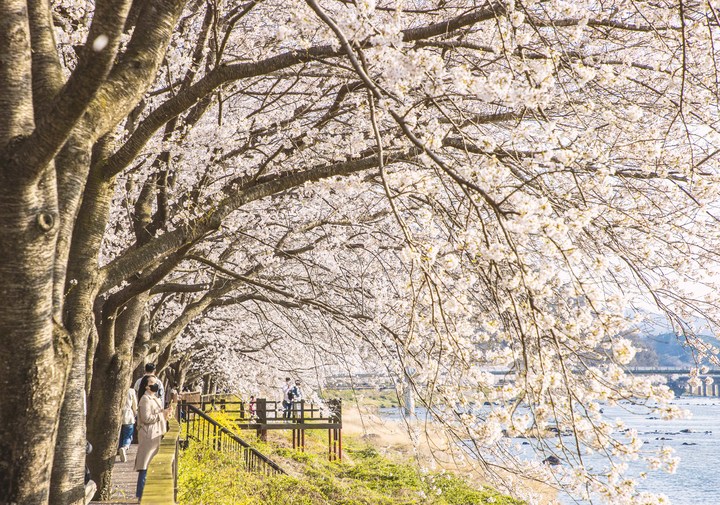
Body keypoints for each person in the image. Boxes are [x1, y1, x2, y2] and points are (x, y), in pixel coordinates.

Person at [134, 376, 171, 499]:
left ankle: (144, 494)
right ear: (146, 386)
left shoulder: (154, 398)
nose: (155, 385)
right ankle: (141, 495)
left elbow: (157, 415)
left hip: (155, 434)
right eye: (152, 383)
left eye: (155, 383)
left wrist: (165, 413)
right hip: (148, 435)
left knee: (150, 463)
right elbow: (146, 418)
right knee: (145, 464)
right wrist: (162, 414)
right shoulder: (145, 399)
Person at [118, 386, 138, 462]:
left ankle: (119, 448)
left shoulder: (117, 389)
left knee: (120, 435)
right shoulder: (131, 391)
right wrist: (135, 413)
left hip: (118, 416)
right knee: (128, 435)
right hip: (128, 416)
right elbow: (134, 405)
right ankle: (125, 447)